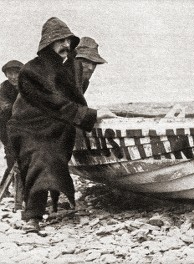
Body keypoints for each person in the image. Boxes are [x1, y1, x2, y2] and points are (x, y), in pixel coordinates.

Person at [7, 17, 116, 233]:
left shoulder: (64, 71)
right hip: (27, 126)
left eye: (68, 41)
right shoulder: (31, 71)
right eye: (60, 41)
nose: (66, 45)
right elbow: (54, 103)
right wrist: (91, 116)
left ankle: (55, 204)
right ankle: (33, 217)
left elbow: (72, 101)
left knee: (55, 155)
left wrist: (97, 115)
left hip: (51, 125)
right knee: (40, 158)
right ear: (48, 43)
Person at [0, 60, 23, 201]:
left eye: (17, 73)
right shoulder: (3, 88)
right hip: (5, 127)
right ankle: (4, 188)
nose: (13, 77)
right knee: (12, 157)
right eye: (10, 73)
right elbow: (6, 107)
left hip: (23, 126)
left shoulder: (28, 85)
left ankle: (17, 188)